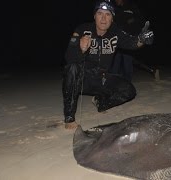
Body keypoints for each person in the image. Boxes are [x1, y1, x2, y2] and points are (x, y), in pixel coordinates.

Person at [62, 0, 154, 129]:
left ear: (112, 18)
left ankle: (100, 102)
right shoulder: (82, 29)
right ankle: (69, 117)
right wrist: (80, 49)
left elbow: (132, 43)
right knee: (71, 68)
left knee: (129, 90)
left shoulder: (115, 32)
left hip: (102, 78)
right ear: (94, 16)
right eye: (100, 13)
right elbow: (69, 58)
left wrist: (143, 39)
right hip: (83, 80)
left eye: (108, 14)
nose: (103, 18)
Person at [109, 0, 146, 81]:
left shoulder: (132, 6)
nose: (116, 1)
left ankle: (128, 81)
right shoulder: (115, 8)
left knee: (127, 59)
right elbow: (113, 21)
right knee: (116, 59)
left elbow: (139, 19)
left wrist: (130, 22)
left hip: (129, 37)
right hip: (118, 37)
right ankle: (112, 80)